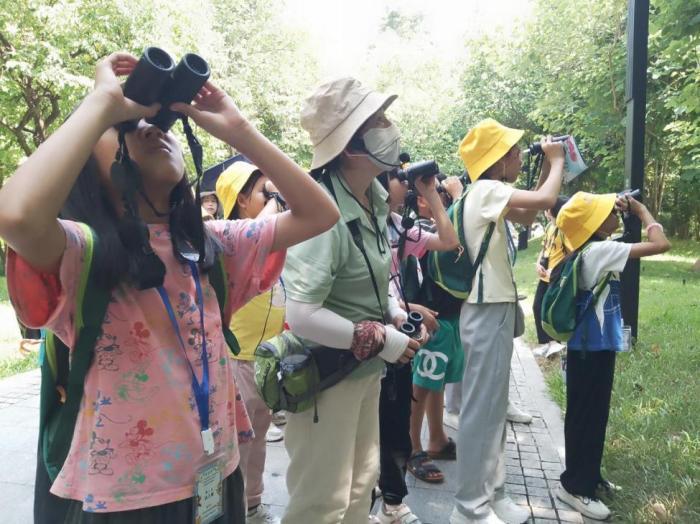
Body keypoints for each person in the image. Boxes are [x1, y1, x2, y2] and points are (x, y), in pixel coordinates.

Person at [0, 52, 339, 523]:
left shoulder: (211, 246)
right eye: (125, 128)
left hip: (217, 475)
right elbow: (14, 215)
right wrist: (102, 103)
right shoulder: (80, 253)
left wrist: (238, 130)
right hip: (126, 499)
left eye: (162, 124)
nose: (150, 128)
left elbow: (319, 213)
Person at [281, 77, 423, 524]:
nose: (389, 126)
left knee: (360, 490)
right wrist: (381, 338)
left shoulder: (372, 200)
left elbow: (371, 278)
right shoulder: (322, 208)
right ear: (350, 147)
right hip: (327, 377)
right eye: (377, 120)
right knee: (321, 502)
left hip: (363, 371)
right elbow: (300, 313)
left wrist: (395, 313)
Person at [452, 119, 566, 524]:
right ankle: (469, 507)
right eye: (514, 152)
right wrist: (557, 161)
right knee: (481, 410)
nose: (520, 156)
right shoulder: (485, 190)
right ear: (496, 161)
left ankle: (493, 492)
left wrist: (543, 169)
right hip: (484, 311)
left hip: (493, 308)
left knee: (493, 408)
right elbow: (546, 197)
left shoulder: (486, 194)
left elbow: (528, 215)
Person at [554, 192, 670, 520]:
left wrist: (621, 210)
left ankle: (589, 475)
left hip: (591, 346)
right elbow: (661, 245)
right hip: (592, 348)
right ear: (593, 224)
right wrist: (644, 211)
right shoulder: (602, 251)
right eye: (606, 211)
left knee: (590, 414)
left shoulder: (591, 248)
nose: (613, 212)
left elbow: (621, 238)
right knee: (587, 417)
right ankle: (576, 487)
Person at [380, 170, 459, 521]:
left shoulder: (398, 225)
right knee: (376, 419)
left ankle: (391, 499)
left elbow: (448, 240)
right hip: (374, 331)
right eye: (397, 175)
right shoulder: (351, 224)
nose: (404, 182)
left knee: (393, 415)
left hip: (398, 330)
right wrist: (407, 309)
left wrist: (432, 193)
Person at [216, 161, 288, 524]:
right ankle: (225, 511)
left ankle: (252, 504)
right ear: (242, 199)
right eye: (265, 192)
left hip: (263, 359)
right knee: (233, 445)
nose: (274, 199)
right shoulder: (229, 236)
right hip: (235, 359)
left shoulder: (270, 238)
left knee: (258, 437)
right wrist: (278, 200)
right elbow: (257, 231)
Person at [532, 197, 568, 358]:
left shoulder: (565, 229)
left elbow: (571, 253)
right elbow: (544, 248)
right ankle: (547, 344)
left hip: (555, 277)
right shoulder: (549, 227)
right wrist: (538, 263)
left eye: (547, 208)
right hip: (544, 276)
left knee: (550, 310)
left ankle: (555, 343)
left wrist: (555, 269)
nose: (545, 211)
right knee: (537, 306)